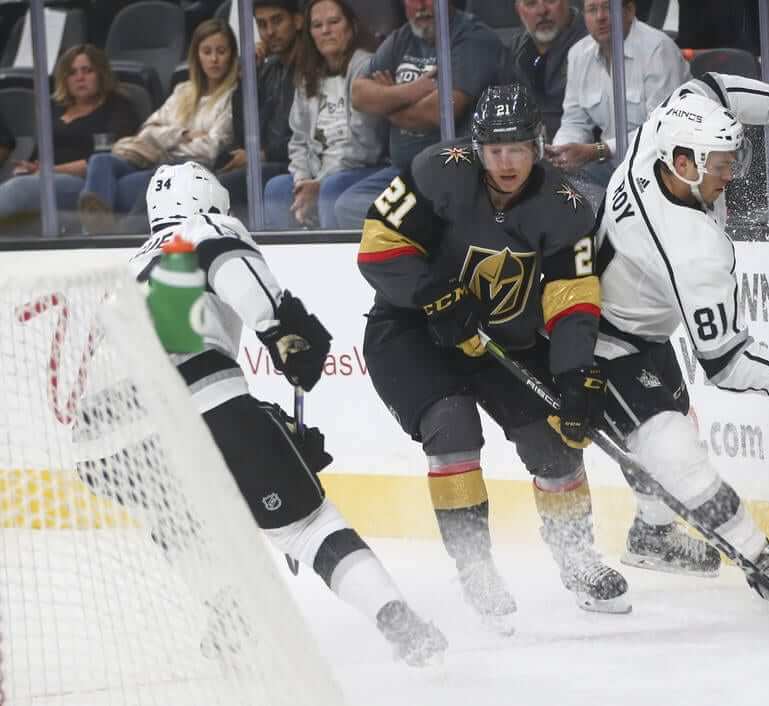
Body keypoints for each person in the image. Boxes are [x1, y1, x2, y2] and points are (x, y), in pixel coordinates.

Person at [128, 160, 447, 666]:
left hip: (121, 445)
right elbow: (227, 263)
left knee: (178, 524)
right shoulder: (204, 226)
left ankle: (228, 615)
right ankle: (396, 619)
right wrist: (283, 329)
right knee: (308, 526)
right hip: (205, 405)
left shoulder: (126, 269)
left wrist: (263, 426)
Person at [357, 84, 629, 630]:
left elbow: (571, 298)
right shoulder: (439, 170)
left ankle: (577, 558)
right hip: (412, 331)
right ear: (477, 148)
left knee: (554, 441)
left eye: (517, 148)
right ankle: (475, 566)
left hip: (502, 341)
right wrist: (432, 293)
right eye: (494, 149)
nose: (505, 162)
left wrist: (575, 372)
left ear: (538, 145)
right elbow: (378, 245)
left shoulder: (568, 206)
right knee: (451, 425)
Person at [592, 71, 769, 602]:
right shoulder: (689, 248)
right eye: (720, 165)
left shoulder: (656, 137)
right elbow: (726, 363)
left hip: (633, 324)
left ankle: (653, 532)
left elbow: (708, 87)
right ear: (683, 163)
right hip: (599, 344)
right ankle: (761, 558)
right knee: (674, 448)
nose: (729, 175)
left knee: (669, 422)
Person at [332, 0, 506, 229]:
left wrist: (388, 105)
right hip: (402, 171)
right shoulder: (402, 38)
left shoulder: (473, 38)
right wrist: (414, 90)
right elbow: (358, 94)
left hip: (451, 171)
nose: (421, 6)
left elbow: (439, 112)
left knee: (405, 216)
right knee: (345, 205)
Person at [78, 19, 239, 234]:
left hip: (186, 169)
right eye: (207, 51)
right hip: (153, 160)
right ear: (196, 55)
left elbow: (211, 149)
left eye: (221, 51)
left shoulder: (232, 96)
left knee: (137, 182)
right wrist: (184, 134)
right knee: (101, 160)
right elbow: (147, 130)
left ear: (231, 54)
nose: (214, 59)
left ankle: (114, 236)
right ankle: (96, 231)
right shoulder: (183, 90)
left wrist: (164, 142)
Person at [263, 0, 387, 229]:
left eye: (334, 22)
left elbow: (365, 143)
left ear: (351, 26)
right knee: (276, 189)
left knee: (331, 190)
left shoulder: (367, 67)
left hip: (361, 169)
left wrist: (319, 184)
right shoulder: (307, 74)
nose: (326, 31)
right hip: (316, 173)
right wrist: (302, 181)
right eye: (317, 25)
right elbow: (298, 140)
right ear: (309, 33)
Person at [548, 0, 688, 195]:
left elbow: (662, 129)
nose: (600, 17)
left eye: (607, 7)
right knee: (556, 185)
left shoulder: (658, 49)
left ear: (629, 10)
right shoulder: (578, 55)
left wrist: (598, 150)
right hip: (610, 168)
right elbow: (574, 122)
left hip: (661, 167)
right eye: (592, 10)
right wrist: (560, 153)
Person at [0, 44, 137, 234]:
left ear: (101, 74)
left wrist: (48, 170)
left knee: (19, 189)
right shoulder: (54, 107)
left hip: (91, 184)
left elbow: (112, 158)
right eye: (72, 73)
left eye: (87, 71)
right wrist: (28, 167)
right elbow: (39, 154)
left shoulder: (118, 106)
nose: (79, 78)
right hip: (49, 177)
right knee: (18, 186)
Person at [215, 0, 303, 221]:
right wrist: (245, 80)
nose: (270, 32)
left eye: (277, 21)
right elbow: (244, 135)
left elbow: (303, 136)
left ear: (298, 20)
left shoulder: (310, 67)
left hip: (293, 163)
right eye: (262, 24)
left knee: (220, 187)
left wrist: (260, 155)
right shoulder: (267, 69)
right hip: (266, 161)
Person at [507, 0, 588, 139]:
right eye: (531, 3)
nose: (542, 11)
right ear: (519, 10)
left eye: (550, 1)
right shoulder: (514, 51)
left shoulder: (592, 43)